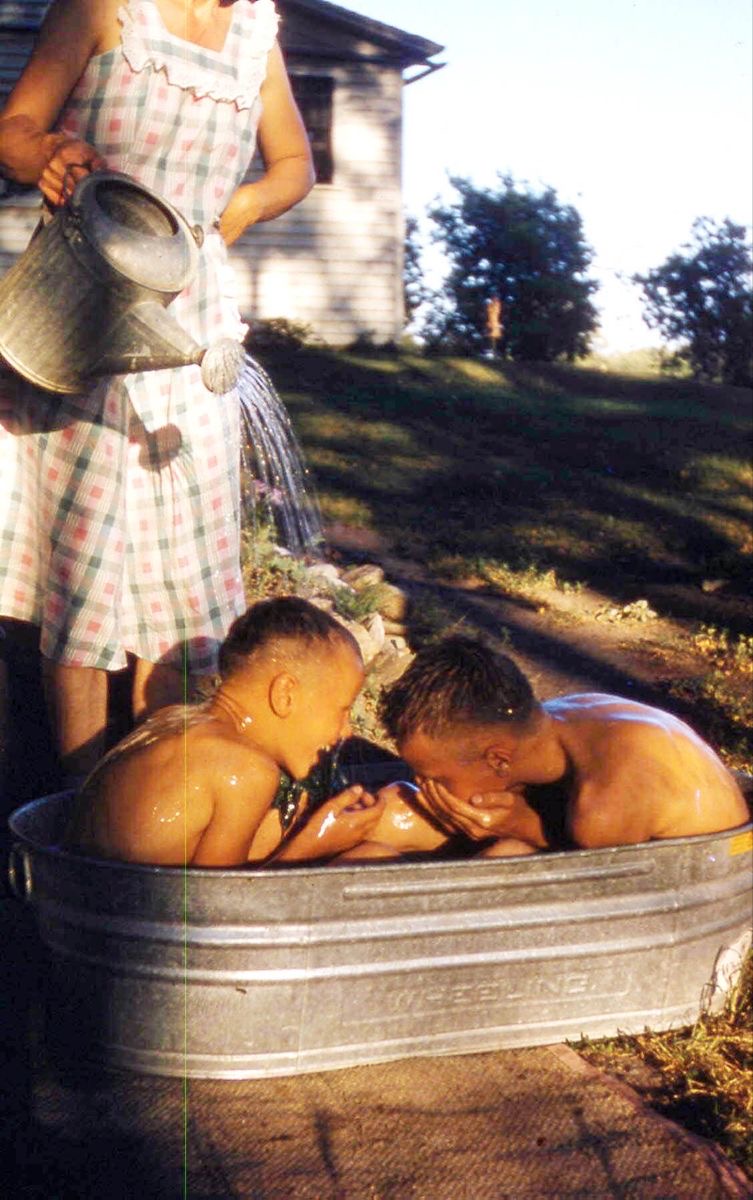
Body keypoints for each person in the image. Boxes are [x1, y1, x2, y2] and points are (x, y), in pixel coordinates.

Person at [0, 0, 314, 784]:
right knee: (86, 567)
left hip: (194, 322)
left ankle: (152, 803)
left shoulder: (254, 37)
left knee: (185, 573)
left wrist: (237, 209)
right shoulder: (104, 9)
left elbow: (294, 166)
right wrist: (47, 153)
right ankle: (76, 808)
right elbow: (13, 130)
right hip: (85, 306)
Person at [340, 636, 749, 861]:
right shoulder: (548, 725)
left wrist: (514, 824)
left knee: (505, 857)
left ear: (499, 758)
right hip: (613, 834)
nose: (422, 784)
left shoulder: (604, 804)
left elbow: (608, 879)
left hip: (706, 868)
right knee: (396, 807)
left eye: (434, 777)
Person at [65, 596, 386, 866]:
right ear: (285, 694)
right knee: (373, 855)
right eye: (342, 710)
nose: (346, 732)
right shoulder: (245, 771)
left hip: (82, 894)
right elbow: (219, 912)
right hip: (129, 927)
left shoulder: (173, 721)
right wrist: (315, 842)